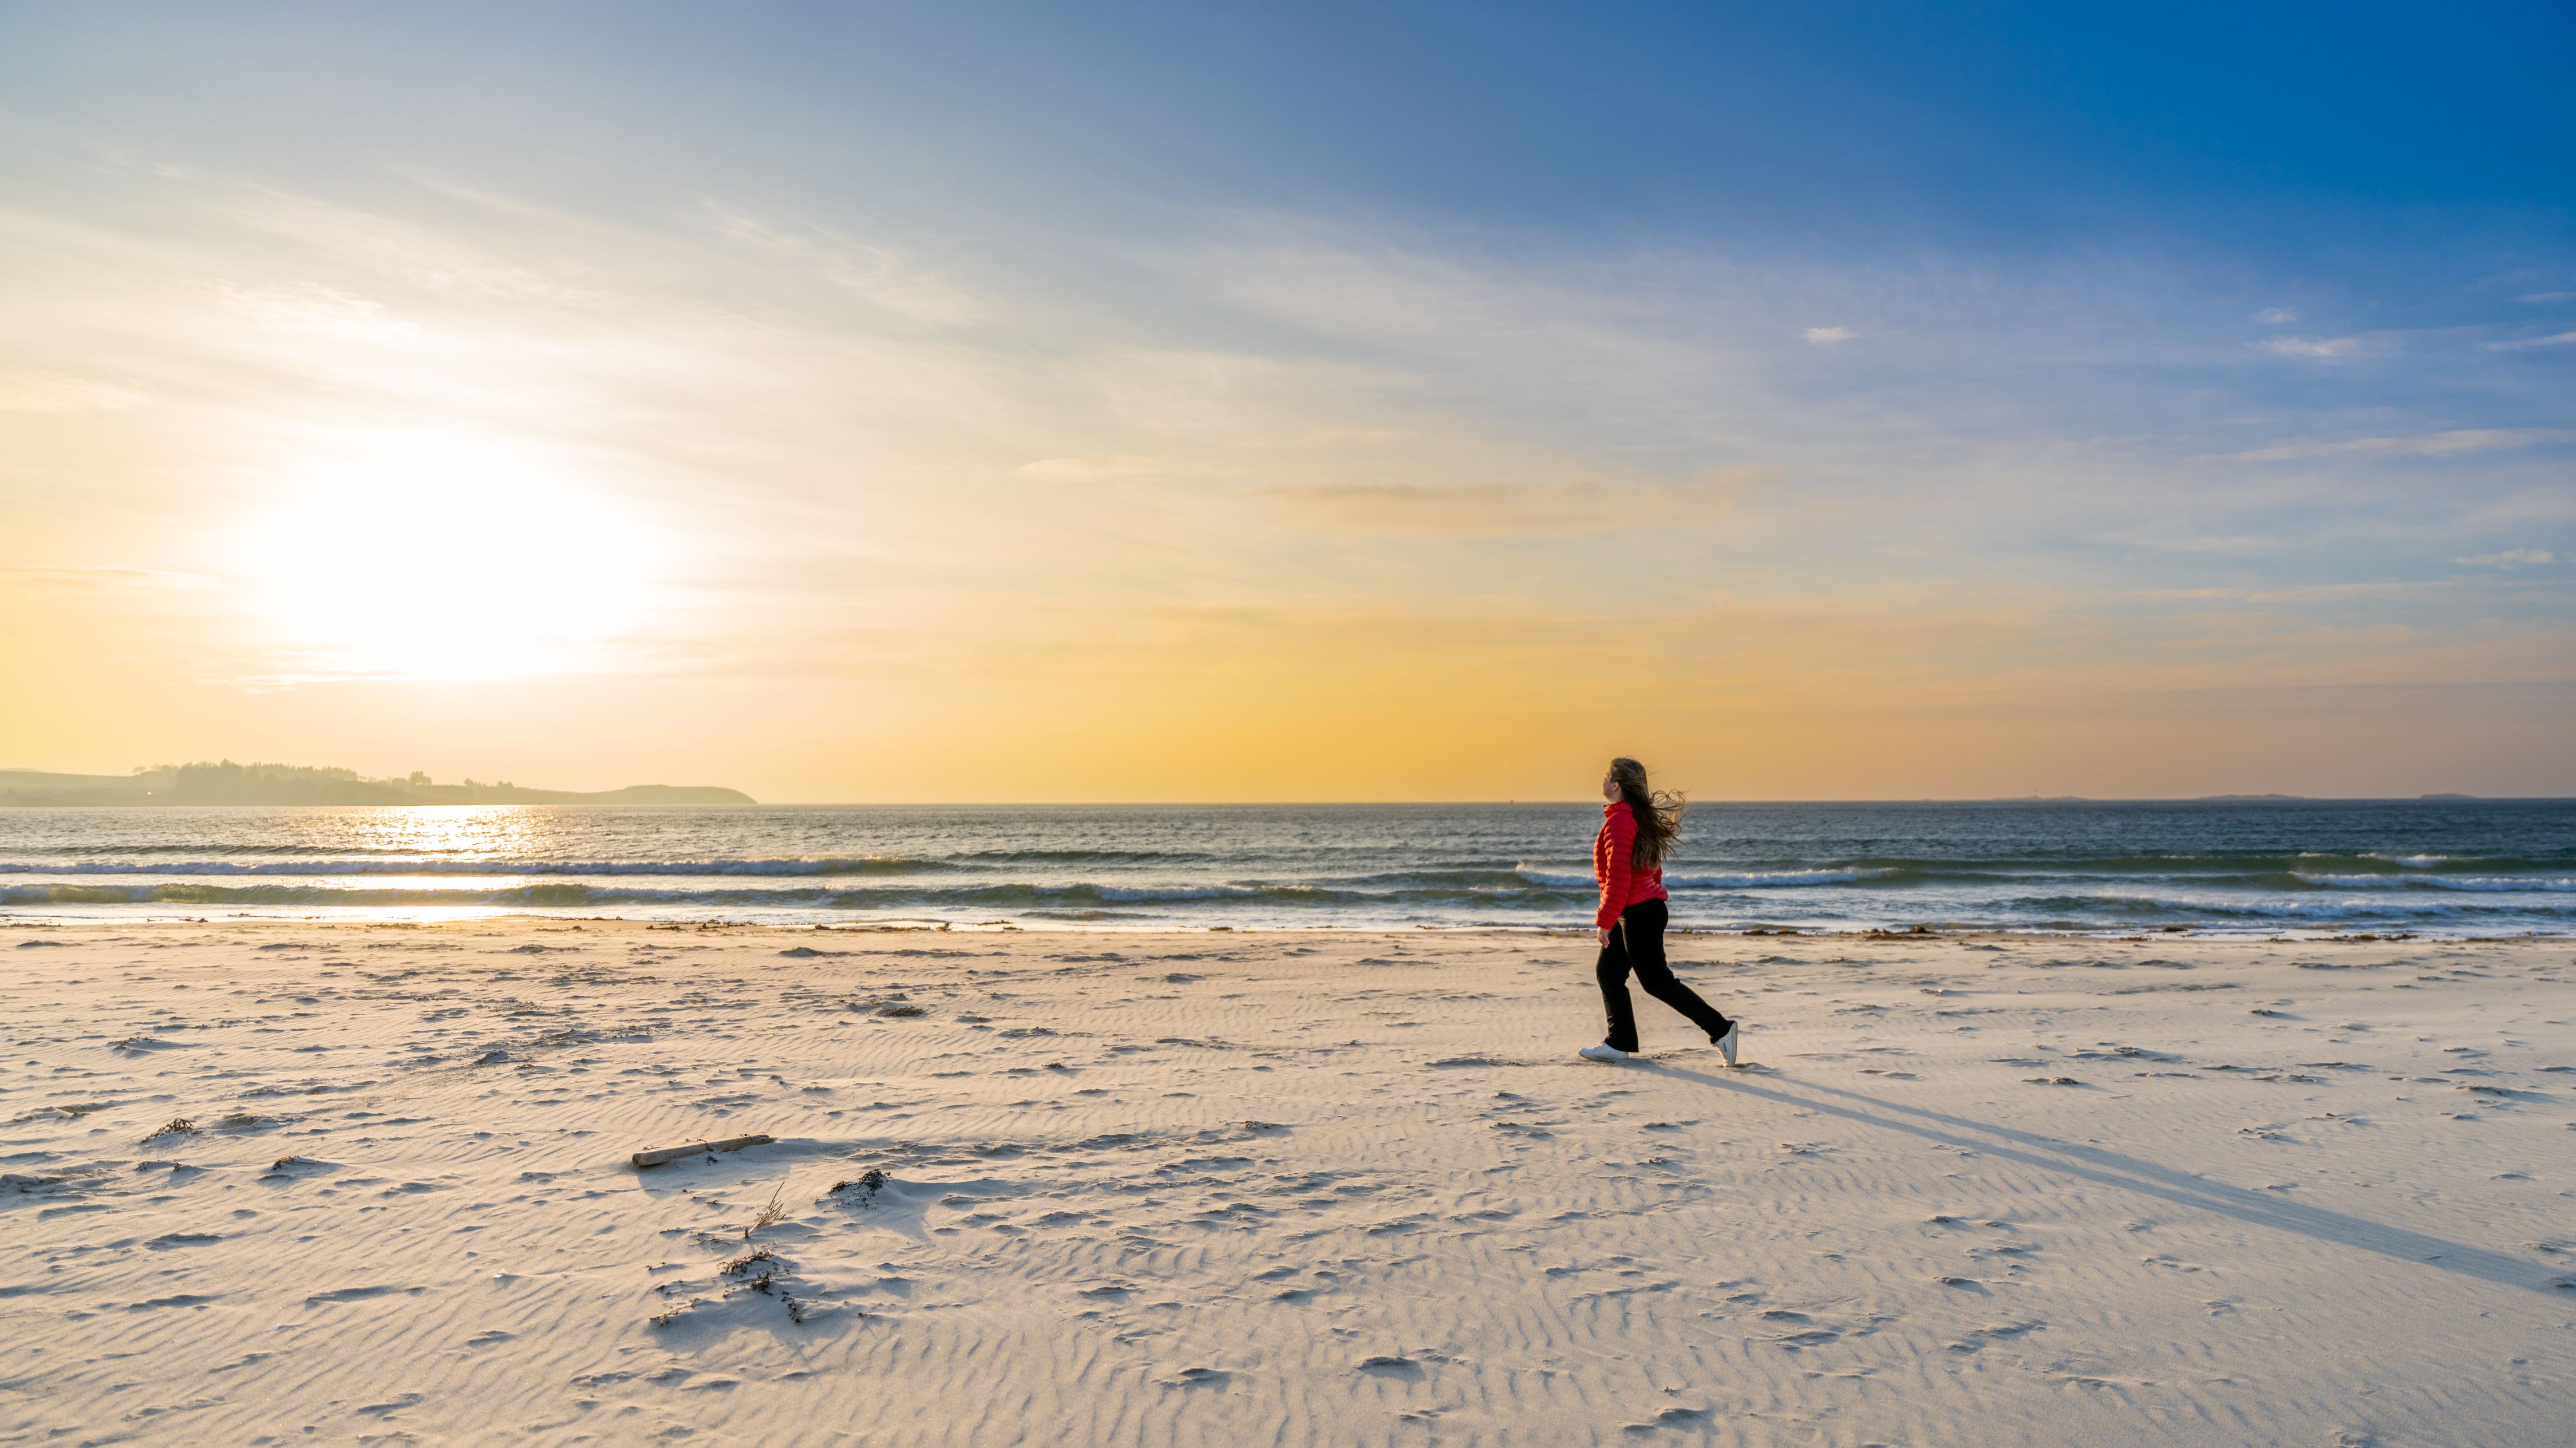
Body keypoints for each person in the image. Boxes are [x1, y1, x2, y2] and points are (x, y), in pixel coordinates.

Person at [1578, 758, 1740, 1066]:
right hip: (1639, 910)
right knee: (1609, 974)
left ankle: (1721, 1030)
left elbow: (1619, 878)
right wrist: (1620, 914)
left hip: (1638, 912)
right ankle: (1619, 1041)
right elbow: (1652, 871)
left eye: (1606, 777)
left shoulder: (1620, 821)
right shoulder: (1631, 817)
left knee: (1656, 982)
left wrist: (1605, 920)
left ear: (1616, 785)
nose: (1602, 781)